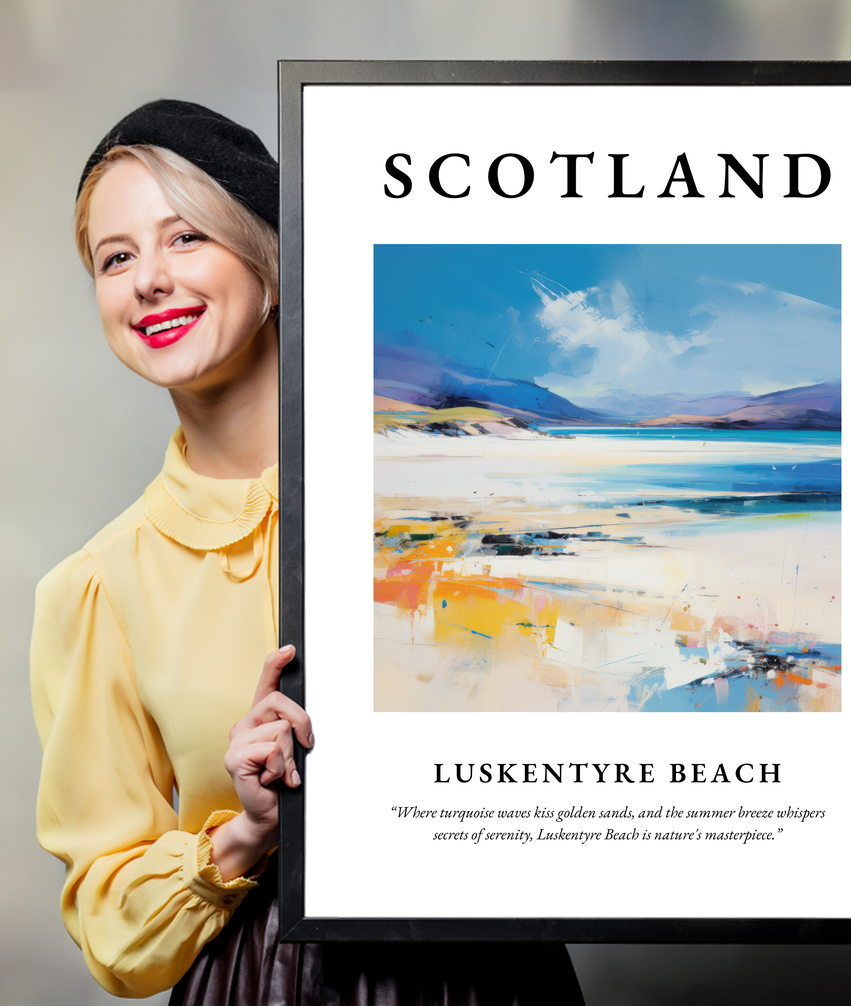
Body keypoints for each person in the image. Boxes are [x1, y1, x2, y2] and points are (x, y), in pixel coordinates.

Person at [30, 100, 585, 1004]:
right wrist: (245, 832)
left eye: (186, 239)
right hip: (262, 982)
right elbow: (110, 924)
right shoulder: (97, 587)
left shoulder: (458, 491)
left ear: (273, 264)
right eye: (116, 257)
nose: (148, 281)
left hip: (492, 973)